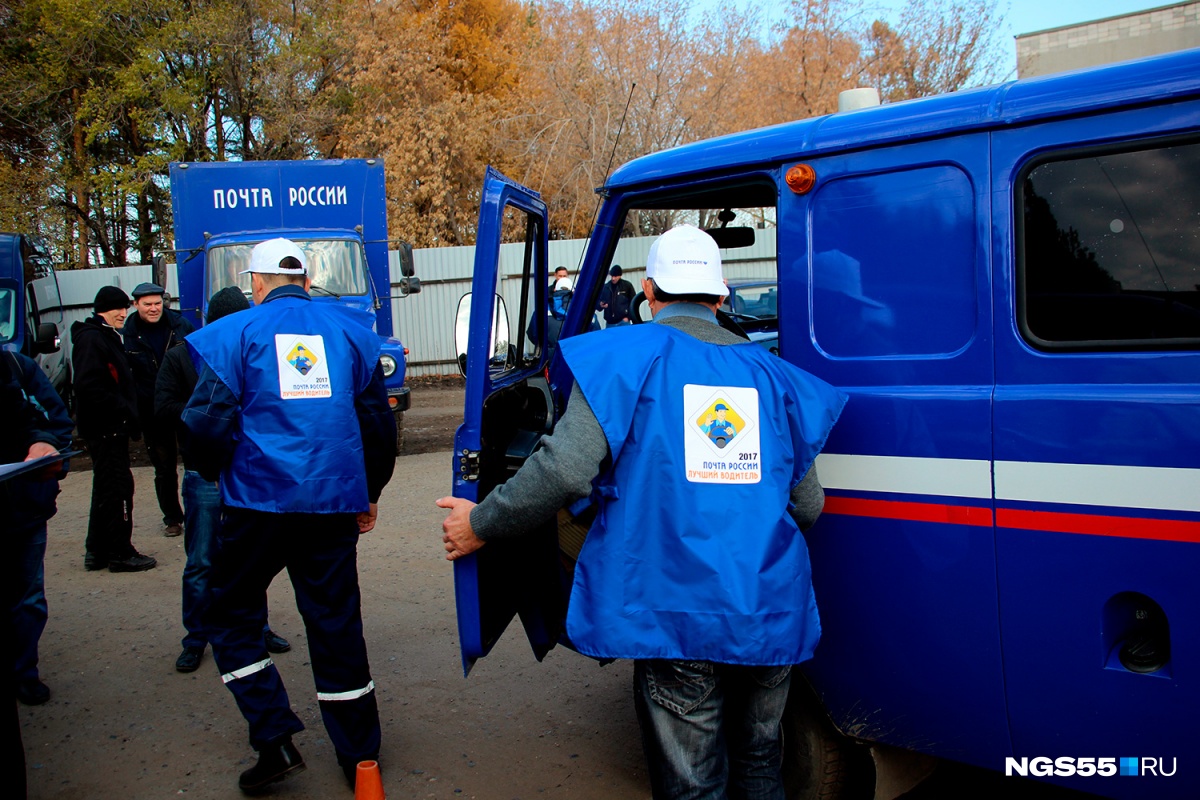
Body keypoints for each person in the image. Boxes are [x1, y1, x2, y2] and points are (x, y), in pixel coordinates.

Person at [438, 225, 846, 800]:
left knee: (693, 782)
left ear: (648, 290)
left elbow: (562, 469)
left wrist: (480, 524)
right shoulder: (776, 379)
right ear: (722, 295)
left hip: (674, 607)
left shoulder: (622, 359)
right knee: (760, 762)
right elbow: (809, 505)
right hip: (768, 606)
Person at [182, 238, 396, 793]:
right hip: (330, 505)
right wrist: (369, 493)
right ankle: (361, 758)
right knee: (335, 622)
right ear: (306, 279)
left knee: (229, 615)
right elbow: (377, 425)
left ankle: (274, 737)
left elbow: (204, 423)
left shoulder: (235, 334)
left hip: (256, 506)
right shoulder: (353, 334)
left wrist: (215, 472)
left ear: (256, 282)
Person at [155, 287, 291, 675]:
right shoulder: (183, 356)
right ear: (213, 323)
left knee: (250, 557)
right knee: (200, 561)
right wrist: (210, 413)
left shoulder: (252, 351)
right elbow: (162, 408)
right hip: (203, 475)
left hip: (248, 475)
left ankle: (257, 627)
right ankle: (196, 638)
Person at [3, 350, 72, 707]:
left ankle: (24, 672)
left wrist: (45, 446)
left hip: (22, 509)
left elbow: (57, 422)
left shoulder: (16, 367)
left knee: (28, 599)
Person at [71, 286, 156, 573]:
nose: (123, 314)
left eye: (125, 308)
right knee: (119, 489)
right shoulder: (93, 340)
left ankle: (96, 550)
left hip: (109, 428)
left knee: (106, 488)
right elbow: (89, 386)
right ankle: (120, 552)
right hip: (106, 429)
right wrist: (122, 409)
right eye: (117, 309)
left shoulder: (103, 337)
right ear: (102, 310)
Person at [123, 281, 194, 537]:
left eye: (157, 303)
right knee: (164, 468)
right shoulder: (127, 333)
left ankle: (197, 511)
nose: (154, 309)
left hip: (182, 404)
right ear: (136, 305)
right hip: (151, 409)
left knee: (194, 462)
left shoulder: (180, 326)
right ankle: (173, 518)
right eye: (147, 304)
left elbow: (195, 361)